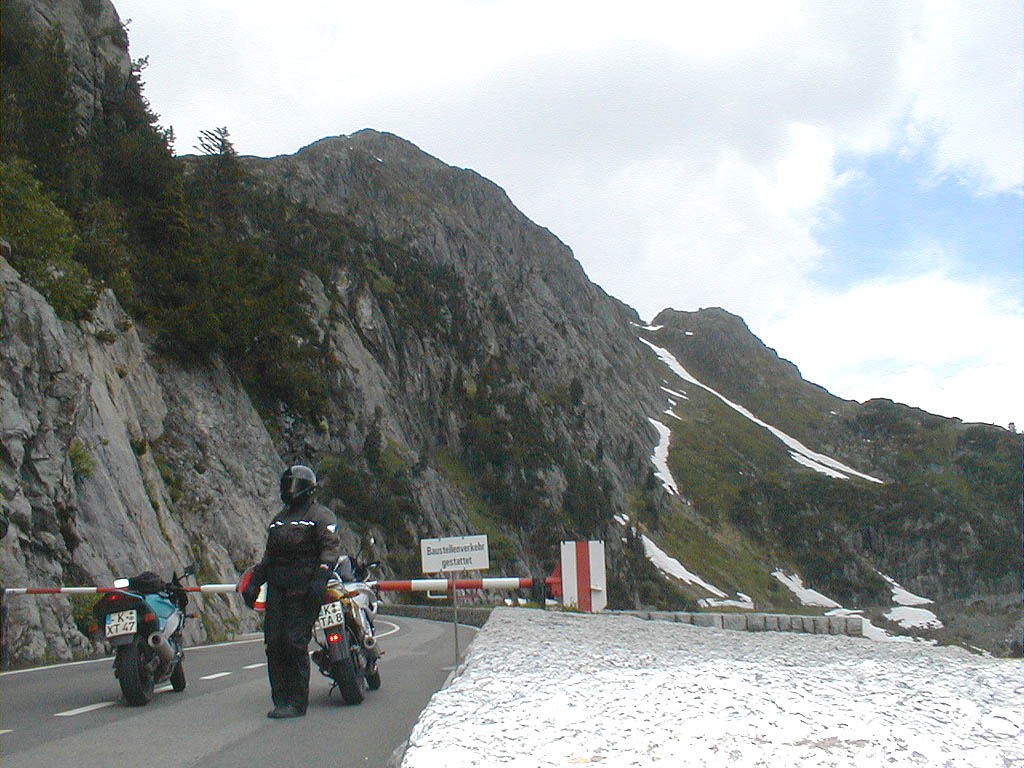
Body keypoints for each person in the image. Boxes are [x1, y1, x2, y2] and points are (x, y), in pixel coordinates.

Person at [244, 465, 342, 719]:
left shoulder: (321, 516)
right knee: (274, 643)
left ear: (308, 489)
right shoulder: (278, 520)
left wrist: (320, 578)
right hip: (278, 588)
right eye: (287, 484)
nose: (290, 489)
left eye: (294, 484)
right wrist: (255, 583)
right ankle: (281, 700)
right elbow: (269, 557)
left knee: (294, 642)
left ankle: (297, 703)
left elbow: (330, 549)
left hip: (305, 589)